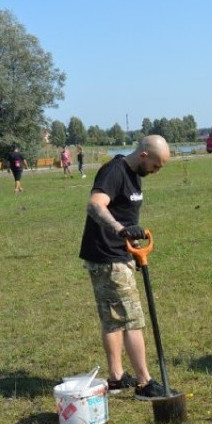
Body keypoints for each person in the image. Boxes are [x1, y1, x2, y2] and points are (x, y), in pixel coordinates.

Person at [79, 135, 172, 400]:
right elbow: (95, 205)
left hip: (118, 255)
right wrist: (121, 230)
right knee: (132, 319)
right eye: (156, 165)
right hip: (108, 256)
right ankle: (145, 383)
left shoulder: (134, 174)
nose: (156, 171)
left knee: (114, 319)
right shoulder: (114, 171)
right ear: (144, 155)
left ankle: (117, 379)